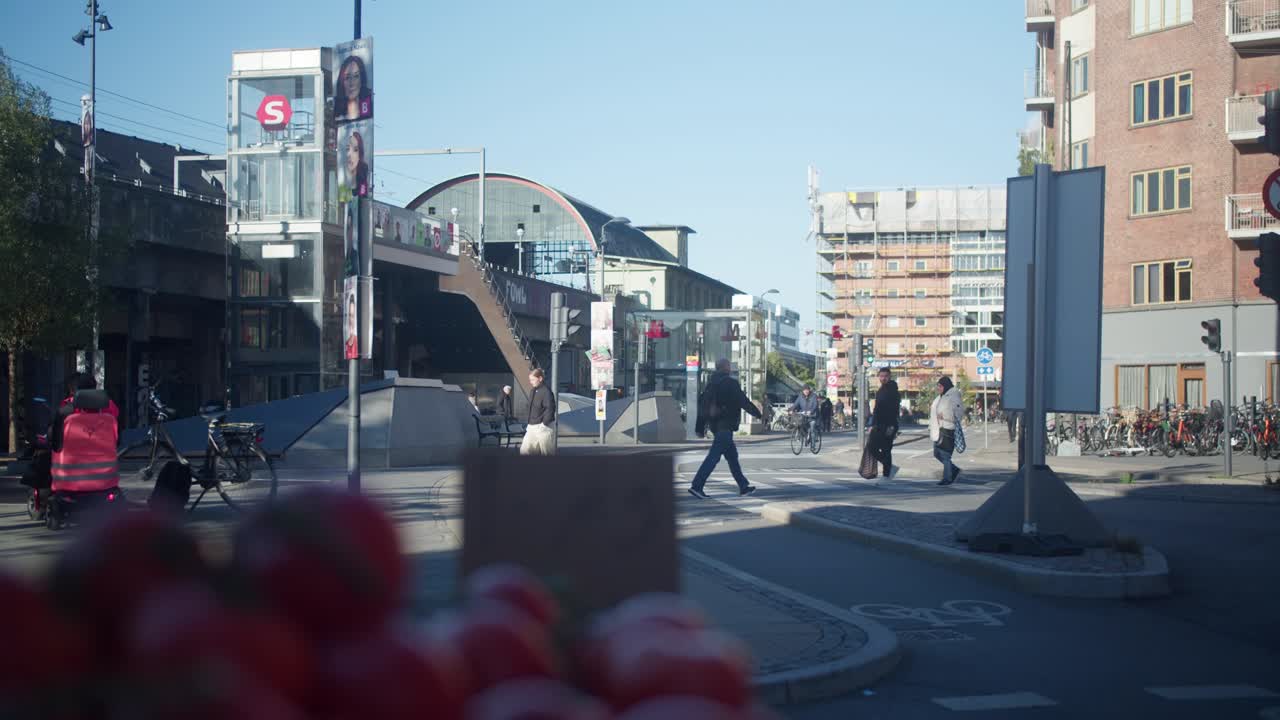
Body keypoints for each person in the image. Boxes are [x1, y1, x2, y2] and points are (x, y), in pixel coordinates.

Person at [689, 358, 761, 498]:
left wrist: (699, 427)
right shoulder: (730, 383)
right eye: (729, 365)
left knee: (732, 457)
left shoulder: (710, 384)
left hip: (715, 426)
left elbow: (703, 406)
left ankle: (743, 486)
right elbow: (743, 401)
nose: (730, 368)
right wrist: (757, 414)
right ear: (726, 368)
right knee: (713, 457)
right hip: (725, 425)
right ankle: (697, 486)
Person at [866, 368, 901, 480]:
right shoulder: (881, 390)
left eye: (885, 376)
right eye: (881, 376)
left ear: (889, 376)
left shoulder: (892, 390)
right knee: (872, 447)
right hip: (879, 424)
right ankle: (889, 469)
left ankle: (887, 474)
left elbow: (893, 410)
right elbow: (877, 409)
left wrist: (891, 427)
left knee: (885, 449)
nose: (883, 378)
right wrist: (872, 424)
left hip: (888, 424)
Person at [930, 375, 964, 486]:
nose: (938, 388)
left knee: (945, 455)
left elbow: (958, 413)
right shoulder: (942, 396)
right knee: (937, 453)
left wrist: (944, 417)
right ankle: (953, 470)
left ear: (945, 385)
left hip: (947, 428)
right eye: (938, 386)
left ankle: (947, 478)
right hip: (939, 429)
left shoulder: (953, 395)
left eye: (940, 386)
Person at [520, 369, 557, 455]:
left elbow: (550, 408)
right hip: (531, 426)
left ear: (540, 378)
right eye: (530, 380)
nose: (530, 382)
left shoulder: (546, 392)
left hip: (543, 427)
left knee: (547, 453)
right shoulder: (533, 391)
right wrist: (529, 422)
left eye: (533, 379)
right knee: (525, 450)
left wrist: (544, 424)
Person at [333, 54, 373, 122]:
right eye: (347, 78)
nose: (352, 83)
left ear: (361, 79)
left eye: (356, 76)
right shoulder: (337, 118)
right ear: (342, 82)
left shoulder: (369, 113)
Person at [344, 130, 370, 198]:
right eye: (347, 149)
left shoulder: (363, 170)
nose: (350, 154)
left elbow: (363, 196)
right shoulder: (341, 175)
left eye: (355, 150)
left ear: (360, 153)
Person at [344, 292, 359, 359]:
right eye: (349, 315)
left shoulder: (359, 341)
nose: (350, 319)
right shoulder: (346, 341)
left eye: (353, 315)